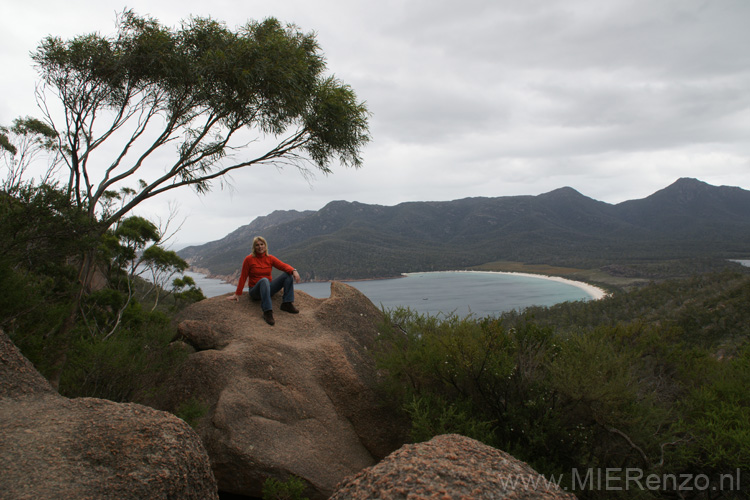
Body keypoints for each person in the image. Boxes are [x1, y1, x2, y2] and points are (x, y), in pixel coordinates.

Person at [227, 236, 301, 325]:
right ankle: (267, 312)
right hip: (255, 291)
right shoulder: (248, 259)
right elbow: (243, 277)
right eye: (257, 245)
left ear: (265, 246)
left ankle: (287, 304)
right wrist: (237, 294)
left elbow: (283, 266)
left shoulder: (270, 258)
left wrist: (294, 270)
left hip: (268, 289)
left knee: (288, 275)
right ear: (254, 247)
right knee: (264, 280)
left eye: (262, 244)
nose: (260, 247)